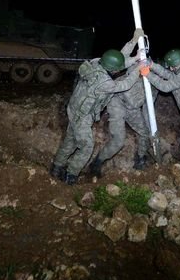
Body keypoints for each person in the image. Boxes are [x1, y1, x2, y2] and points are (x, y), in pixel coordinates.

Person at [50, 36, 145, 185]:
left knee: (70, 140)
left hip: (73, 109)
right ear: (112, 69)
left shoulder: (96, 63)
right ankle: (71, 175)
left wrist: (134, 51)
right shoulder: (105, 83)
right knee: (86, 147)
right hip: (82, 116)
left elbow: (118, 60)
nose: (119, 70)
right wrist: (137, 70)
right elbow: (124, 84)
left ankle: (56, 167)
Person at [88, 29, 158, 177]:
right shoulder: (134, 67)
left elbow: (147, 105)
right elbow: (122, 57)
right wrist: (133, 42)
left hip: (133, 108)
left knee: (144, 133)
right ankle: (97, 163)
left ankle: (140, 159)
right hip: (117, 103)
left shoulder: (154, 82)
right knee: (118, 140)